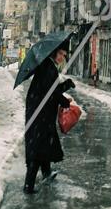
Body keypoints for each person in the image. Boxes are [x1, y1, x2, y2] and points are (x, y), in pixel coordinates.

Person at [24, 41, 75, 194]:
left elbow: (51, 89)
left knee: (42, 144)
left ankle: (46, 173)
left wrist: (65, 85)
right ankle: (29, 186)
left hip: (39, 113)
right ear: (53, 53)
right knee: (38, 148)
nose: (62, 58)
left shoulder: (47, 67)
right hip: (40, 115)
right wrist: (65, 100)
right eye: (60, 54)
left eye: (64, 56)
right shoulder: (48, 68)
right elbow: (51, 92)